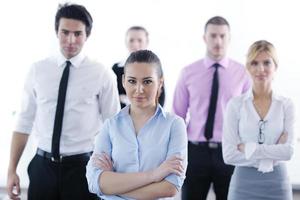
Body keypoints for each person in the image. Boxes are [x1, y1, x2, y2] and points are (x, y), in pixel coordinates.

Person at [6, 3, 120, 200]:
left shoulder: (101, 73)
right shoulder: (37, 70)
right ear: (56, 31)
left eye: (77, 34)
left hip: (84, 168)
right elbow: (23, 122)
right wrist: (11, 169)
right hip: (42, 167)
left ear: (87, 35)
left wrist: (114, 173)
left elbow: (115, 126)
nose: (70, 40)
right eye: (64, 32)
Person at [86, 50, 187, 199]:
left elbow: (170, 187)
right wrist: (154, 175)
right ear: (123, 82)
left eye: (147, 81)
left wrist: (113, 184)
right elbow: (95, 183)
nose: (139, 90)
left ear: (160, 82)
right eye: (132, 81)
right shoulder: (110, 126)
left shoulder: (175, 125)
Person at [173, 16, 251, 200]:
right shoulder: (188, 72)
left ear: (229, 39)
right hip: (196, 151)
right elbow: (178, 116)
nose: (218, 41)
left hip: (230, 152)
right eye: (213, 35)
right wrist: (177, 152)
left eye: (223, 36)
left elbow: (249, 116)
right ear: (204, 38)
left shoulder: (243, 73)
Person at [222, 40, 294, 200]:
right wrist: (274, 152)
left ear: (275, 66)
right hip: (243, 185)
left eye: (266, 62)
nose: (260, 69)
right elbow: (229, 155)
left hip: (278, 184)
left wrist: (248, 148)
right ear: (248, 68)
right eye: (254, 63)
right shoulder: (235, 105)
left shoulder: (286, 105)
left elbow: (288, 151)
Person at [112, 26, 165, 108]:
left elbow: (159, 98)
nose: (135, 44)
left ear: (147, 42)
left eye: (140, 40)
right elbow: (113, 98)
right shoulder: (116, 68)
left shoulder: (155, 67)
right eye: (131, 40)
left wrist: (125, 99)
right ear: (126, 42)